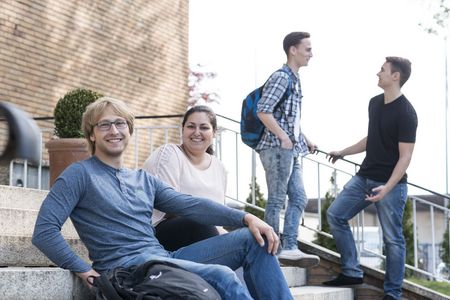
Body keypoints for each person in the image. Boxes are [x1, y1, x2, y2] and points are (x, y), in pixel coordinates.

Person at [32, 97, 294, 300]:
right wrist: (82, 268)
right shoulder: (79, 174)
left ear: (129, 130)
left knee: (254, 239)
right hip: (129, 269)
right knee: (221, 275)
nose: (114, 130)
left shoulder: (142, 179)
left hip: (163, 257)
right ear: (92, 134)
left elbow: (191, 205)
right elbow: (44, 231)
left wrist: (246, 217)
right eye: (104, 124)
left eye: (120, 123)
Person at [323, 57, 418, 300]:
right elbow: (371, 138)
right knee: (336, 214)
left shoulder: (407, 113)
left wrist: (387, 187)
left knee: (393, 239)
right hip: (365, 176)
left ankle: (393, 294)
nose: (378, 73)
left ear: (395, 76)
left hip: (391, 184)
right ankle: (352, 271)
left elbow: (405, 156)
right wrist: (343, 152)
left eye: (383, 70)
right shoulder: (375, 103)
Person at [255, 31, 320, 267]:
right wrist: (283, 137)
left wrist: (305, 138)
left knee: (299, 198)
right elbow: (263, 110)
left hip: (291, 149)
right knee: (276, 200)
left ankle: (289, 246)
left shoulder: (294, 78)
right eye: (308, 49)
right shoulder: (281, 77)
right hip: (276, 148)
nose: (311, 54)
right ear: (293, 50)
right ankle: (271, 251)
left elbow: (289, 118)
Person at [143, 105, 226, 251]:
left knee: (254, 239)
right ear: (182, 129)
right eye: (191, 126)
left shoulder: (219, 167)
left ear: (214, 133)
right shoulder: (169, 154)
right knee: (201, 223)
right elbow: (168, 206)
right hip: (160, 237)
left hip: (204, 235)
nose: (197, 132)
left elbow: (218, 221)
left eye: (204, 128)